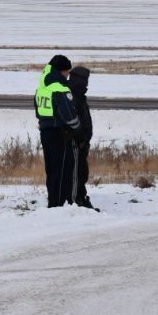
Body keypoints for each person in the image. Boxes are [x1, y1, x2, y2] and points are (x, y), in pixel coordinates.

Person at [35, 54, 81, 208]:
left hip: (45, 131)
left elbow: (37, 110)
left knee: (51, 170)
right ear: (62, 71)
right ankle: (59, 205)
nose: (68, 76)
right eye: (67, 72)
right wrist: (78, 129)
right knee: (62, 170)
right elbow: (69, 116)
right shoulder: (59, 88)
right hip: (60, 134)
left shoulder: (42, 87)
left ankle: (52, 201)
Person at [67, 66, 96, 209]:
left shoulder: (78, 94)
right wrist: (81, 138)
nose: (87, 83)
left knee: (82, 172)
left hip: (82, 141)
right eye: (85, 80)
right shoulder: (73, 95)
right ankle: (76, 201)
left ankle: (81, 198)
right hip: (78, 141)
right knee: (77, 173)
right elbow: (73, 119)